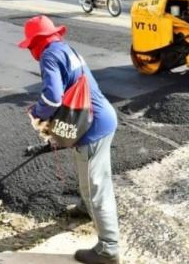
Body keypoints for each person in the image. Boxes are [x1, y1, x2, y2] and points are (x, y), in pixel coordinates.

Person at [18, 15, 120, 264]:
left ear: (36, 42)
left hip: (91, 126)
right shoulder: (64, 48)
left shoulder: (48, 55)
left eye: (30, 44)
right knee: (89, 177)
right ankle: (87, 210)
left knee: (96, 188)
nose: (31, 49)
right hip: (96, 117)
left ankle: (109, 249)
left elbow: (53, 97)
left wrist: (37, 113)